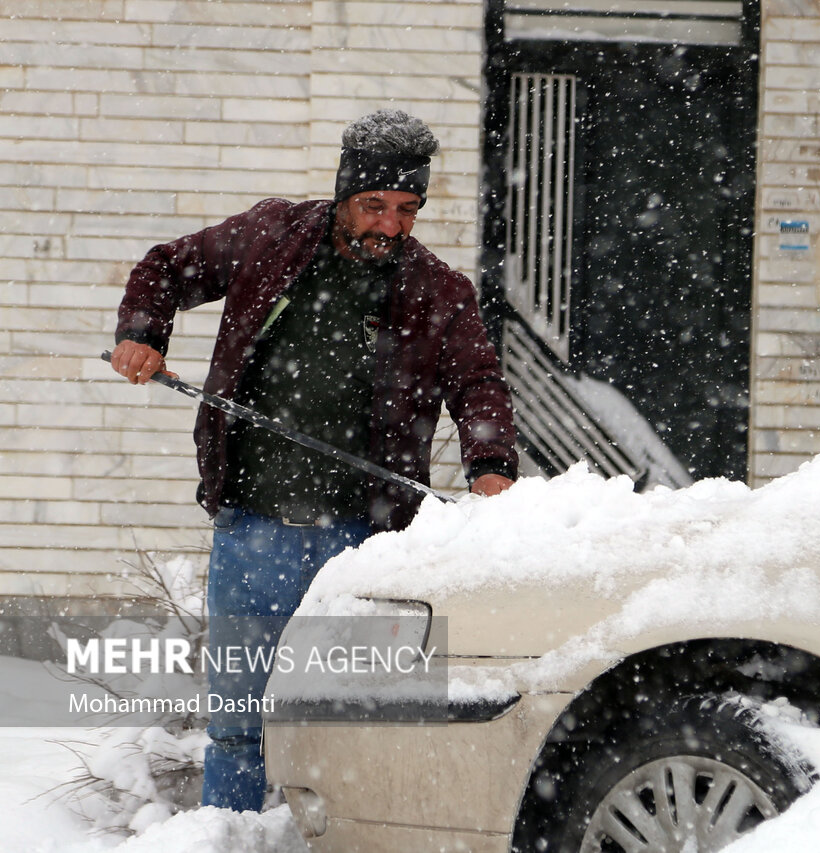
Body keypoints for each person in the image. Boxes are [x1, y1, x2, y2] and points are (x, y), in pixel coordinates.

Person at [109, 109, 518, 812]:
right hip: (255, 529)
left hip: (364, 547)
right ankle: (231, 832)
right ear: (343, 193)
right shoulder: (271, 238)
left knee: (356, 727)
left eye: (407, 209)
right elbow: (168, 267)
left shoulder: (437, 290)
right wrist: (143, 332)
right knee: (239, 724)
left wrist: (492, 466)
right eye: (374, 206)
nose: (390, 226)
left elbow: (478, 381)